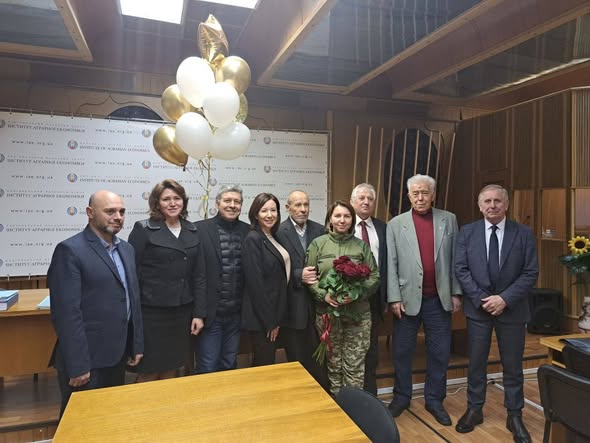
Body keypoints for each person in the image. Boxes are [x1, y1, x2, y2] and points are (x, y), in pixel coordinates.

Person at [48, 190, 144, 416]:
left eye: (122, 212)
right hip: (87, 360)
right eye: (110, 211)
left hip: (117, 355)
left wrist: (136, 344)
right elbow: (66, 314)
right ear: (90, 213)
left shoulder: (127, 249)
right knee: (79, 423)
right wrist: (78, 365)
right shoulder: (70, 250)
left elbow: (132, 300)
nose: (118, 217)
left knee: (109, 419)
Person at [454, 184, 538, 443]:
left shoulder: (523, 234)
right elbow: (461, 269)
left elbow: (530, 272)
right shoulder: (467, 232)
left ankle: (514, 415)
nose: (492, 205)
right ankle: (474, 409)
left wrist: (504, 299)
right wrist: (482, 299)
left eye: (497, 201)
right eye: (487, 201)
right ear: (480, 206)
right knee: (476, 363)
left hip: (512, 310)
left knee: (513, 366)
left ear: (506, 204)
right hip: (478, 310)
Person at [386, 174, 462, 426]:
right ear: (408, 196)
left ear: (433, 195)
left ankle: (435, 400)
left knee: (440, 352)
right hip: (406, 300)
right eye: (415, 193)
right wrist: (393, 297)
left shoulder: (449, 219)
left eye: (425, 192)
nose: (420, 197)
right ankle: (401, 397)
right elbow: (391, 263)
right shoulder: (395, 224)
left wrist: (456, 292)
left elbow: (455, 259)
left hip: (439, 299)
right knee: (402, 351)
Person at [128, 179, 206, 382]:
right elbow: (132, 274)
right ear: (157, 203)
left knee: (173, 365)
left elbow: (198, 276)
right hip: (152, 313)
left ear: (184, 201)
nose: (172, 203)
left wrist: (199, 313)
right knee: (150, 368)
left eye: (177, 198)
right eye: (166, 199)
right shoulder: (143, 229)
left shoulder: (192, 230)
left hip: (182, 312)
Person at [306, 200, 380, 396]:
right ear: (330, 219)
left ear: (352, 220)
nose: (342, 220)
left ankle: (354, 407)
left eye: (347, 216)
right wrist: (323, 295)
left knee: (354, 367)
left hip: (358, 316)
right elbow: (310, 278)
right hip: (328, 316)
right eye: (337, 215)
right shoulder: (318, 244)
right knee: (333, 365)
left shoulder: (361, 246)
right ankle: (338, 406)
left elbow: (374, 276)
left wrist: (355, 294)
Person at [194, 185, 250, 373]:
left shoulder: (248, 231)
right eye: (227, 201)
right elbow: (197, 275)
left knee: (229, 364)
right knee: (208, 366)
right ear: (217, 203)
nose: (232, 205)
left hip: (236, 315)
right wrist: (198, 313)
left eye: (237, 202)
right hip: (211, 315)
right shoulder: (200, 229)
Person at [276, 190, 327, 387]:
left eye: (306, 204)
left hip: (318, 305)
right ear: (287, 207)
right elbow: (274, 269)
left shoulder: (320, 230)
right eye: (298, 205)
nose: (303, 209)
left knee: (319, 362)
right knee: (297, 361)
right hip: (293, 306)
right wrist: (298, 275)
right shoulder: (278, 232)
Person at [241, 193, 290, 366]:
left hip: (275, 313)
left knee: (268, 362)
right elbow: (256, 285)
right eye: (264, 210)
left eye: (273, 210)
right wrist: (270, 322)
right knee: (264, 364)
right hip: (262, 319)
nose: (270, 215)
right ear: (255, 214)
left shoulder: (273, 236)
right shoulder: (253, 239)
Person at [349, 183, 388, 396]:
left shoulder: (383, 228)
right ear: (352, 202)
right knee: (350, 349)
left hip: (374, 297)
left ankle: (370, 396)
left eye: (370, 199)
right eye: (361, 198)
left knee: (371, 349)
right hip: (348, 299)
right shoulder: (343, 225)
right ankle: (350, 395)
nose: (366, 202)